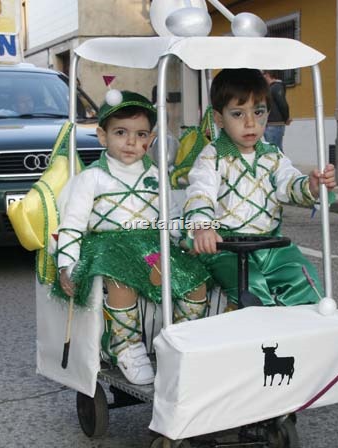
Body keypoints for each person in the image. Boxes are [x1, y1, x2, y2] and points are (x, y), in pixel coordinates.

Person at [54, 90, 210, 385]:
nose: (130, 142)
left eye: (140, 135)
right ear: (102, 136)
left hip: (151, 244)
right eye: (121, 132)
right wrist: (67, 263)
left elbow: (171, 216)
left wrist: (184, 237)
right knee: (121, 278)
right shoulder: (92, 178)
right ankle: (126, 345)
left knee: (195, 280)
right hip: (108, 244)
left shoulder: (156, 174)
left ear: (150, 140)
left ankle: (182, 341)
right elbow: (73, 224)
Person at [184, 68, 336, 308]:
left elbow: (288, 182)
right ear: (219, 118)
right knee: (250, 287)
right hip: (225, 248)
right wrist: (203, 227)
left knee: (303, 277)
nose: (250, 123)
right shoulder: (212, 157)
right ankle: (256, 337)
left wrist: (312, 186)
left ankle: (300, 335)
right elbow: (200, 193)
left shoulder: (272, 156)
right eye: (238, 114)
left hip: (271, 246)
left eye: (259, 112)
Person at [262, 70, 290, 150]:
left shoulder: (276, 87)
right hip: (271, 124)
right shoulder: (271, 87)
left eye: (263, 75)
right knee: (274, 150)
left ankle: (283, 163)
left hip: (274, 125)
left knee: (275, 150)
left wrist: (286, 118)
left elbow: (283, 104)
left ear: (267, 74)